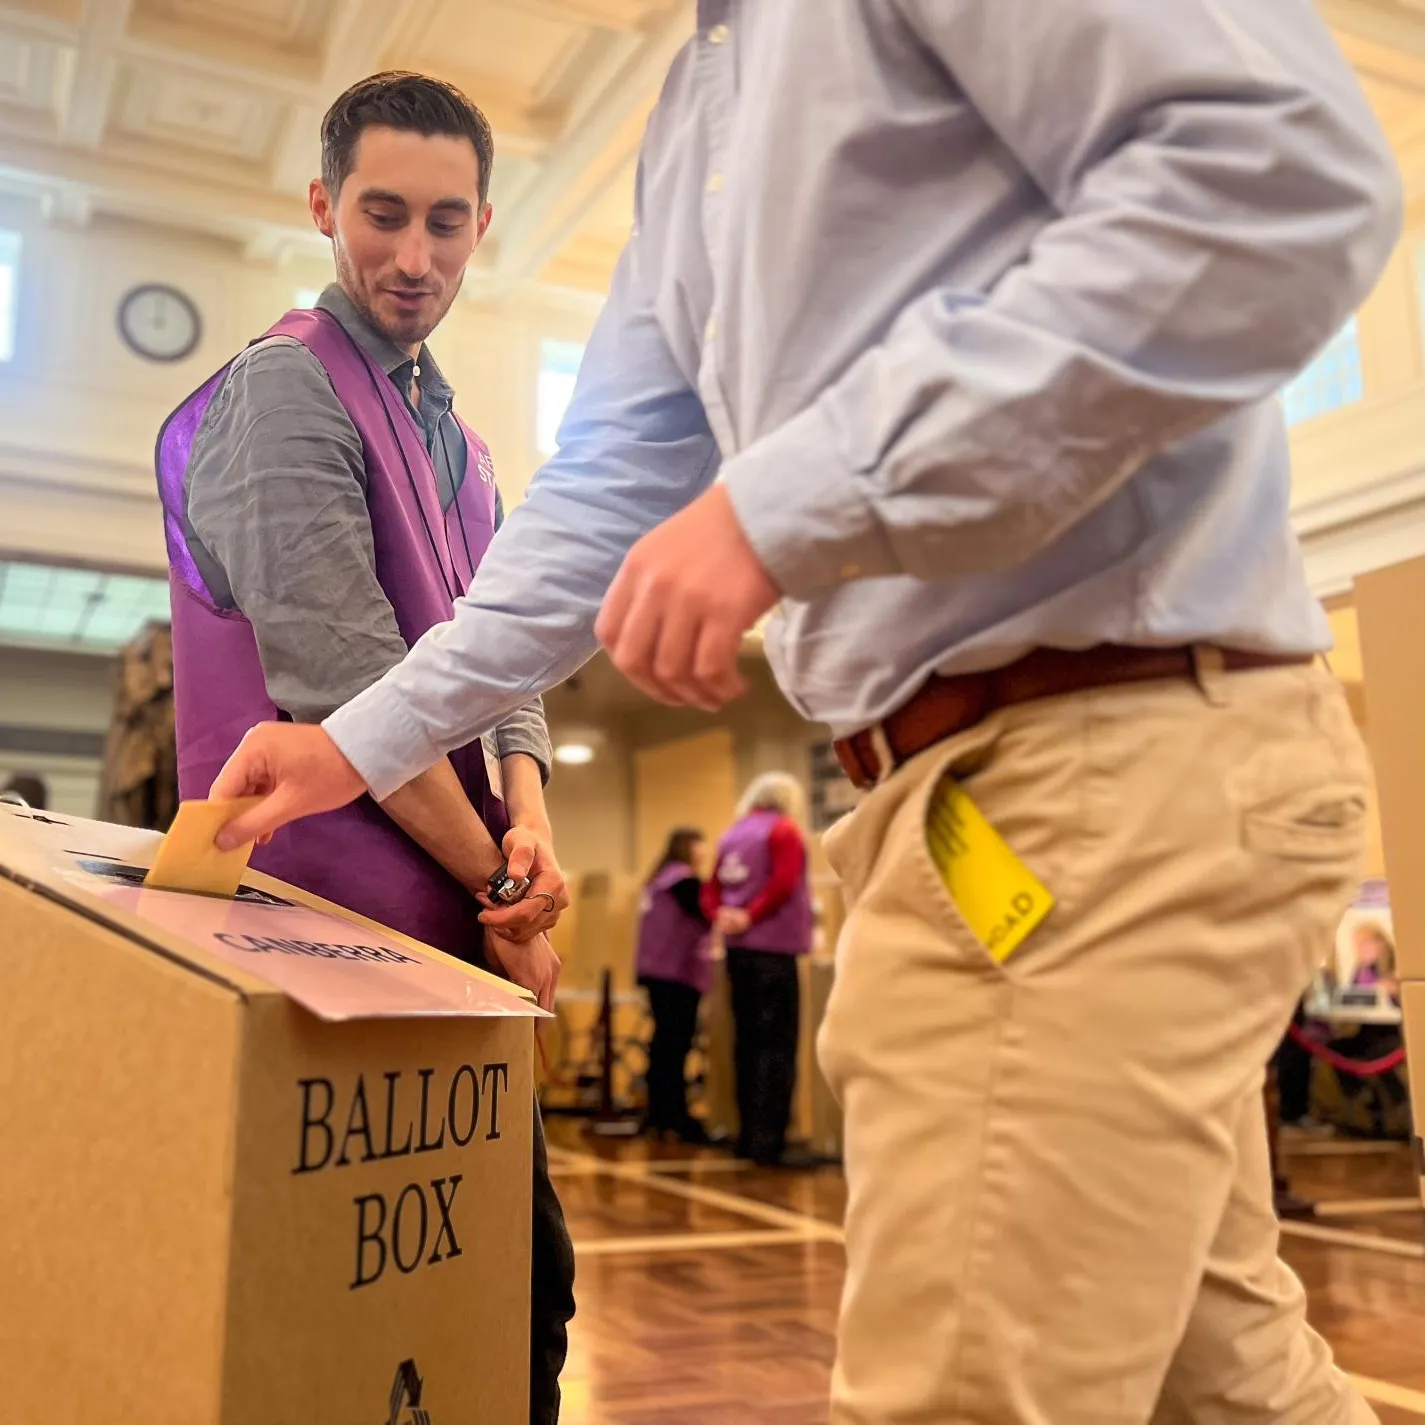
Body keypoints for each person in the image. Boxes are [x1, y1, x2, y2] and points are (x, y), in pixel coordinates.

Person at [208, 9, 1401, 1422]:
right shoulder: (699, 105)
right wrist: (354, 742)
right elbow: (606, 485)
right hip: (962, 798)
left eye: (446, 222)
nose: (416, 255)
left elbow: (1278, 174)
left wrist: (781, 505)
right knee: (1229, 1385)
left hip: (1098, 758)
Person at [153, 72, 574, 1425]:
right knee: (330, 1334)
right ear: (325, 203)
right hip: (315, 935)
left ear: (482, 226)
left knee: (508, 1304)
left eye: (446, 224)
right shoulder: (287, 388)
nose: (414, 257)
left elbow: (503, 668)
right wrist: (504, 889)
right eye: (383, 215)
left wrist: (532, 827)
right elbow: (355, 694)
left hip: (447, 938)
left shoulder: (466, 442)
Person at [704, 774, 813, 1168]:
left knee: (747, 1043)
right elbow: (784, 883)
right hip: (774, 948)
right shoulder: (784, 831)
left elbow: (711, 888)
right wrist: (750, 916)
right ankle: (771, 1142)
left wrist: (724, 917)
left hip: (738, 953)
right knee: (777, 1046)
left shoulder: (732, 835)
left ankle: (748, 1136)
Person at [634, 826, 714, 1143]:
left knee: (663, 1045)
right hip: (676, 974)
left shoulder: (659, 880)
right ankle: (675, 1115)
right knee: (675, 1046)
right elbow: (710, 913)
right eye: (701, 845)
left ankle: (659, 1113)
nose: (705, 852)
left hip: (655, 971)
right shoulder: (684, 882)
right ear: (689, 847)